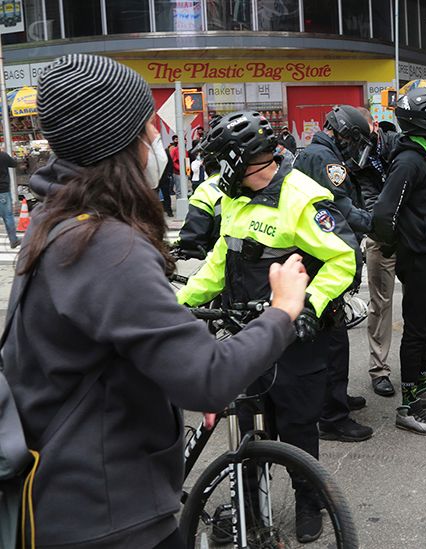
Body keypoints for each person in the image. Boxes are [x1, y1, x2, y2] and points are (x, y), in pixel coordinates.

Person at [3, 54, 306, 549]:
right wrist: (283, 310)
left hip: (67, 500)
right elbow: (207, 378)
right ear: (121, 142)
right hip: (108, 520)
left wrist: (173, 375)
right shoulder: (104, 245)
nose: (158, 143)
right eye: (151, 129)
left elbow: (111, 346)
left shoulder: (57, 218)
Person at [178, 110, 359, 541]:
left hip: (296, 338)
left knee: (298, 429)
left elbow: (342, 259)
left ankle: (308, 503)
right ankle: (250, 510)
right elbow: (221, 261)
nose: (216, 172)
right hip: (247, 335)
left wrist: (310, 306)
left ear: (241, 161)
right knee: (245, 428)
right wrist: (180, 305)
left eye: (222, 161)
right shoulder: (234, 199)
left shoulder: (301, 196)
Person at [372, 85, 426, 435]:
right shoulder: (409, 160)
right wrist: (396, 245)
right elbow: (384, 212)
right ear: (420, 119)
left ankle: (423, 387)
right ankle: (408, 405)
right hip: (419, 255)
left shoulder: (424, 154)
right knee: (416, 327)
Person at [293, 104, 374, 443]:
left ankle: (333, 400)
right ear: (345, 135)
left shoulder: (313, 152)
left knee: (329, 338)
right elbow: (339, 207)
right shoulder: (326, 159)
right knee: (333, 340)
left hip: (312, 256)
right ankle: (332, 416)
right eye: (355, 140)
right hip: (321, 259)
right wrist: (373, 223)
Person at [352, 106, 400, 397]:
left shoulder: (396, 143)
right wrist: (379, 229)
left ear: (374, 125)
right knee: (380, 304)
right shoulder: (356, 156)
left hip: (411, 231)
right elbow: (366, 197)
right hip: (381, 234)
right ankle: (379, 370)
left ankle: (418, 373)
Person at [173, 154, 222, 257]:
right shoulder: (253, 180)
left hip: (222, 261)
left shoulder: (207, 189)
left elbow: (193, 236)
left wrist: (179, 247)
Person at [0, 149, 20, 248]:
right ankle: (13, 240)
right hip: (3, 190)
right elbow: (14, 164)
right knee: (7, 216)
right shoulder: (3, 155)